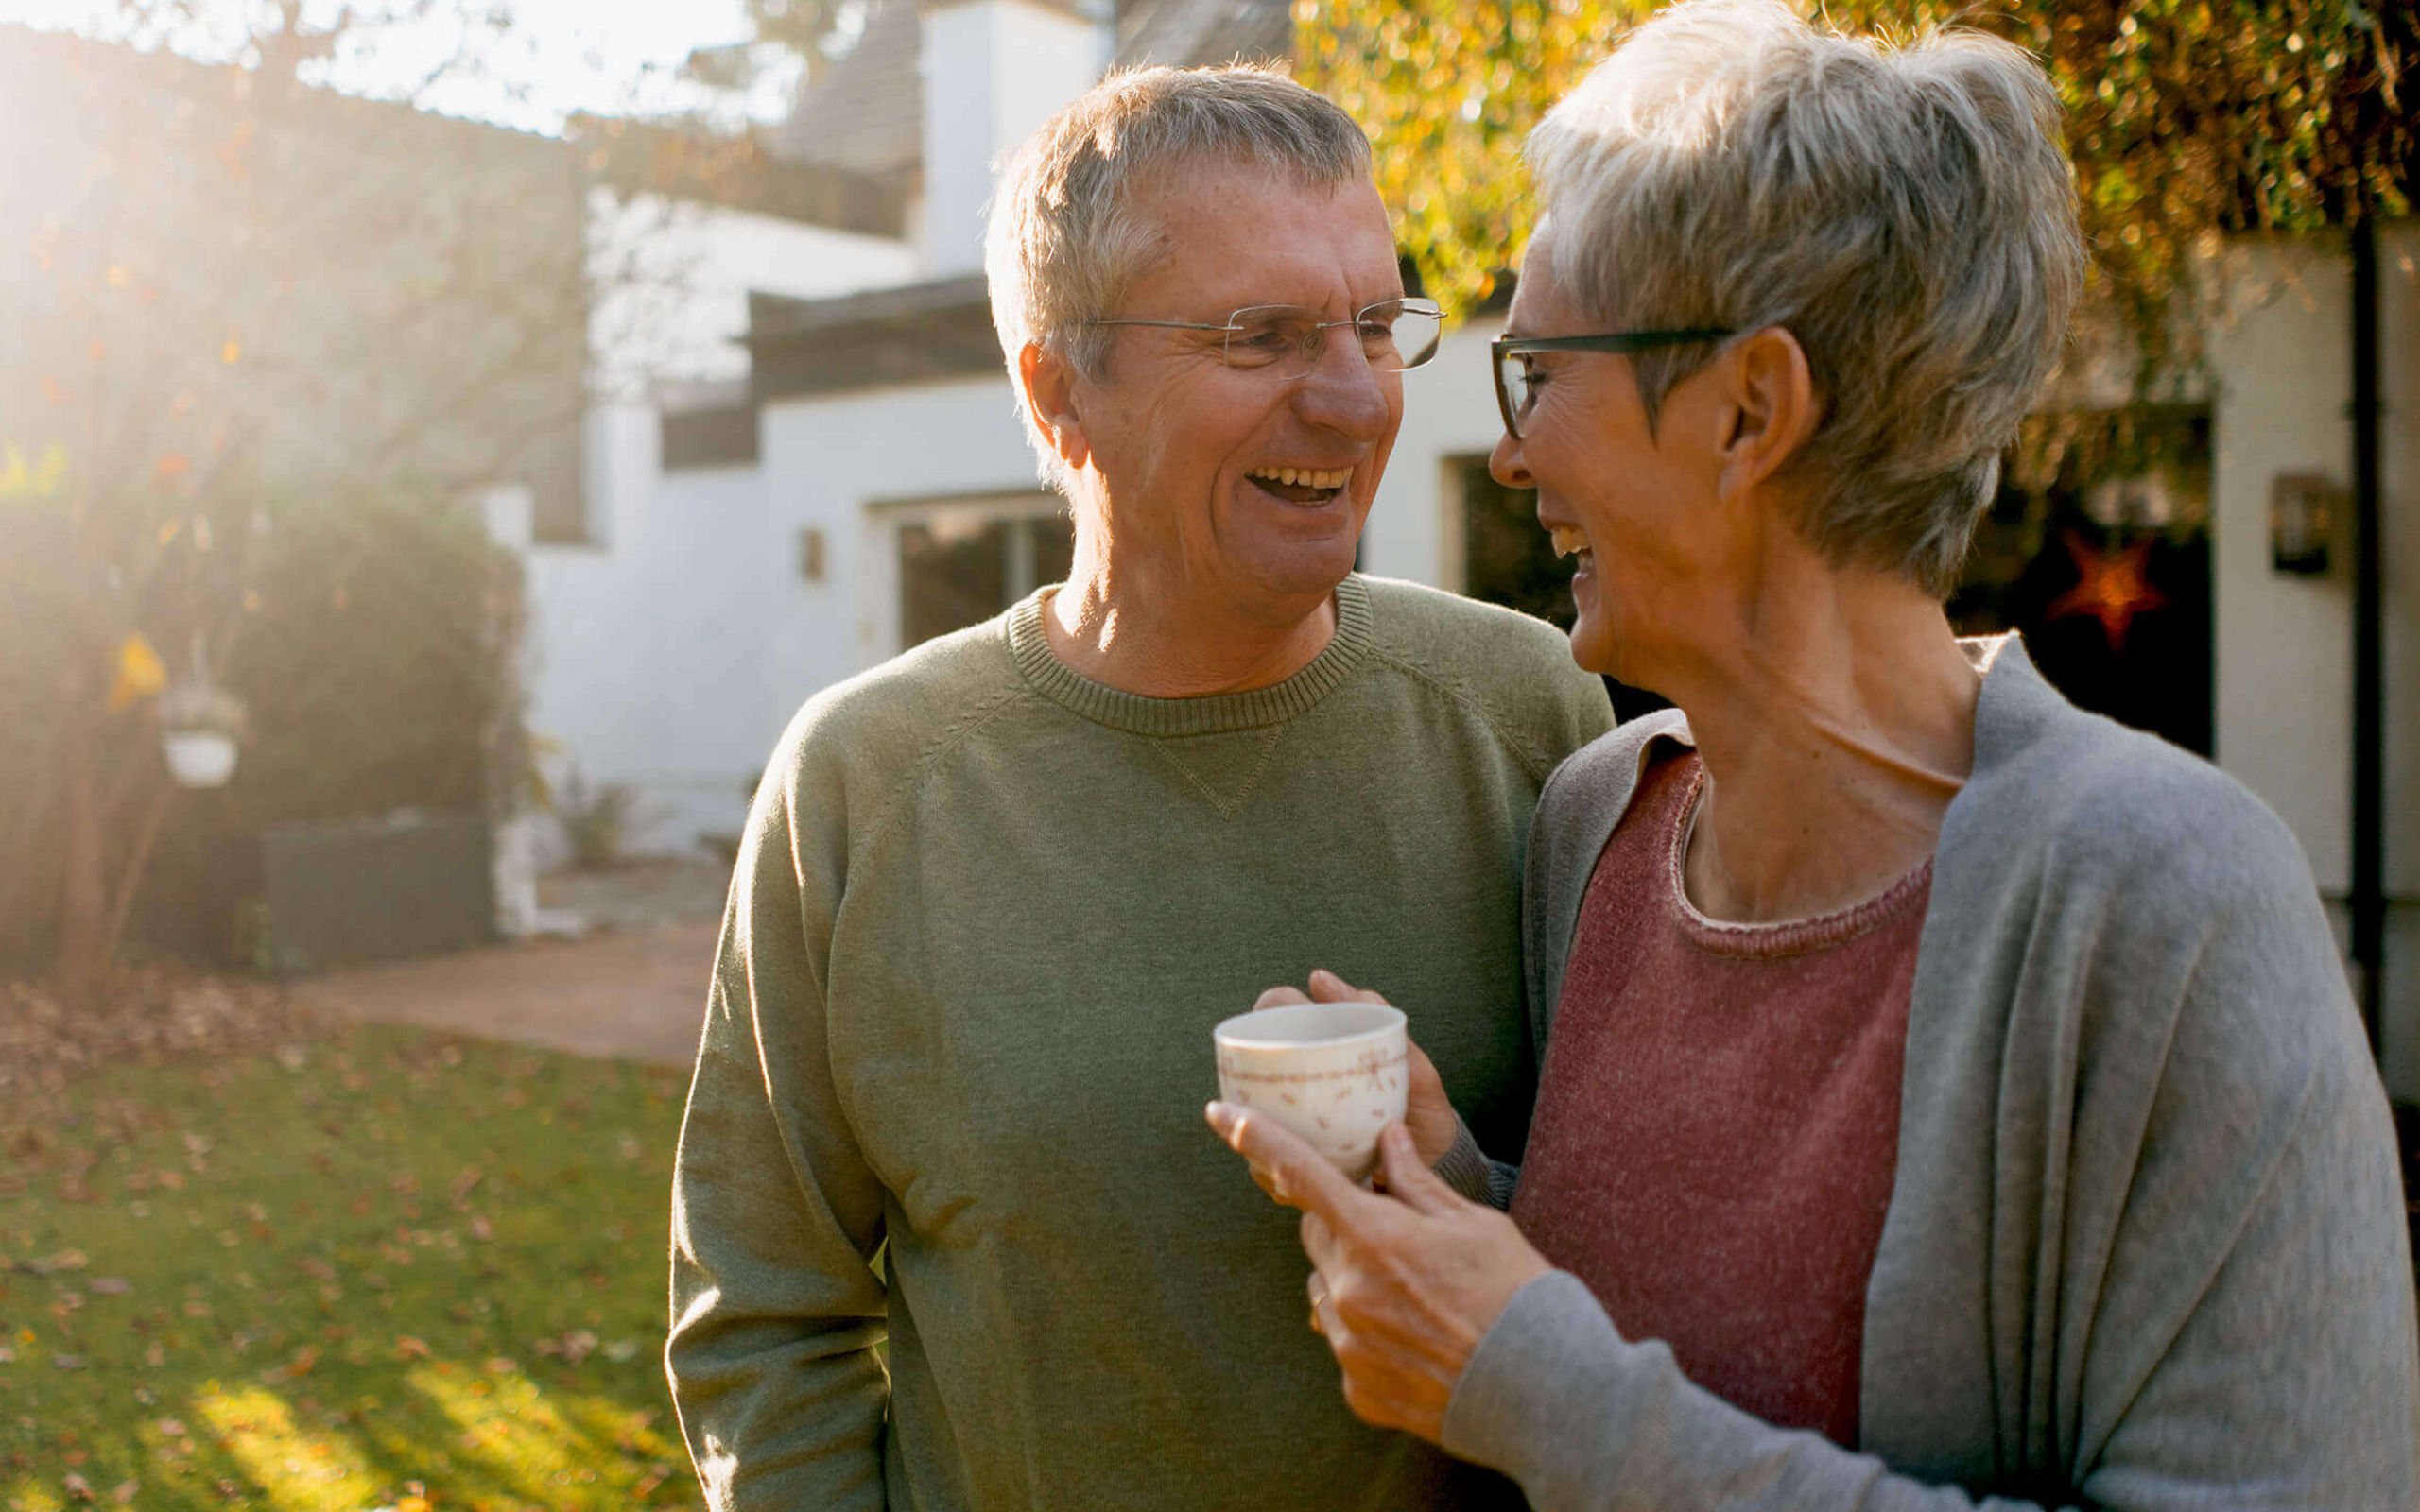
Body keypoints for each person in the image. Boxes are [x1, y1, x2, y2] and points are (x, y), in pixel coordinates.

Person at [1210, 4, 2420, 1508]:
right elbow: (1685, 1344)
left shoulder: (2169, 901)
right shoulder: (1601, 826)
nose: (1513, 455)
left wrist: (1538, 1391)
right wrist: (1463, 1208)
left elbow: (1591, 1408)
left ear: (1750, 411)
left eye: (1543, 376)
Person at [665, 64, 1614, 1512]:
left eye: (1376, 324)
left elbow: (1645, 1240)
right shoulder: (862, 783)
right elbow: (763, 1314)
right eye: (1263, 336)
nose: (1358, 400)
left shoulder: (1527, 712)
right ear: (1058, 393)